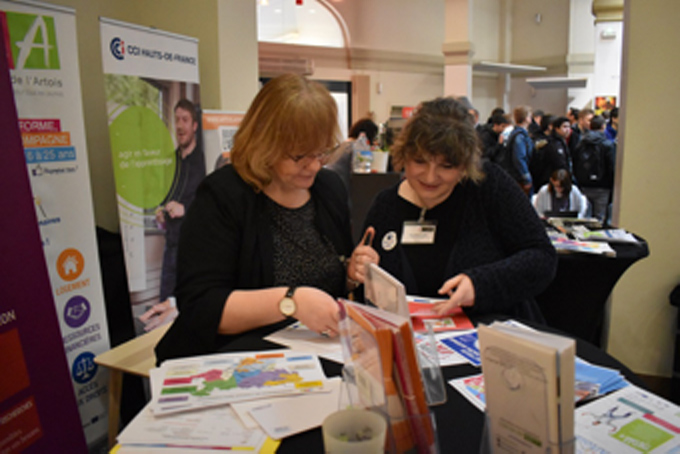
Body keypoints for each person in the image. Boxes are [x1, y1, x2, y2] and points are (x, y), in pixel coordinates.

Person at [155, 74, 378, 363]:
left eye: (321, 152)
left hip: (313, 358)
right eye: (299, 156)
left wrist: (350, 275)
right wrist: (291, 302)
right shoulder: (223, 196)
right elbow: (201, 307)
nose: (313, 166)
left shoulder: (328, 189)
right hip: (236, 360)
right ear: (265, 142)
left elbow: (330, 286)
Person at [360, 97, 557, 323]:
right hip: (414, 344)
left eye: (447, 166)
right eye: (420, 162)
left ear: (465, 164)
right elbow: (368, 288)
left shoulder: (489, 187)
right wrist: (358, 273)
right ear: (404, 156)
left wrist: (480, 284)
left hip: (489, 339)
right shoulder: (386, 205)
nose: (430, 177)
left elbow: (542, 257)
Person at [141, 99, 206, 332]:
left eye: (185, 120)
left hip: (197, 244)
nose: (180, 126)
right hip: (172, 242)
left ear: (195, 125)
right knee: (165, 304)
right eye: (177, 120)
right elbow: (162, 194)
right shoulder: (169, 162)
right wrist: (159, 210)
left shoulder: (205, 161)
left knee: (190, 304)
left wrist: (185, 209)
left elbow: (209, 201)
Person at [573, 115, 616, 224]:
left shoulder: (581, 143)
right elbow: (611, 167)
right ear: (603, 126)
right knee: (599, 220)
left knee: (583, 217)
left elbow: (575, 163)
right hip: (602, 186)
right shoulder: (608, 145)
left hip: (583, 184)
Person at [325, 117, 379, 194]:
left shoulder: (344, 144)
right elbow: (360, 170)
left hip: (331, 185)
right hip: (340, 187)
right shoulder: (355, 146)